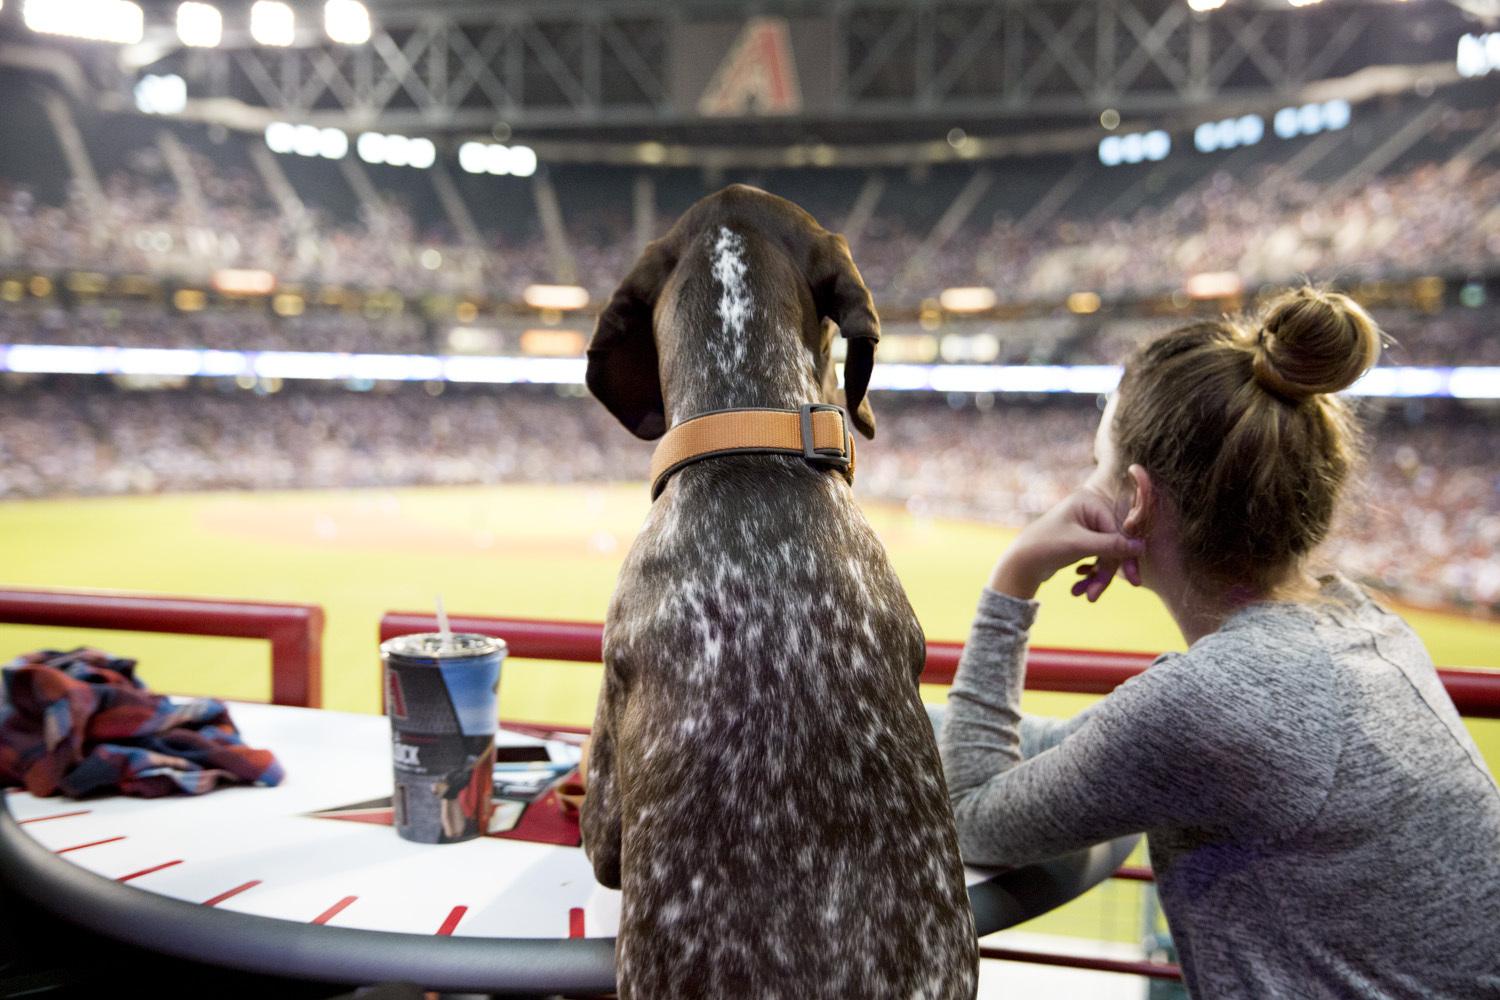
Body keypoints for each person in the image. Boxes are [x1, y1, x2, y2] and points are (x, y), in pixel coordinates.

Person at [938, 287, 1500, 998]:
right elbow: (1112, 754)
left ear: (1136, 501)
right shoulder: (1361, 620)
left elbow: (970, 819)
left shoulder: (1219, 696)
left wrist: (1013, 576)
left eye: (1097, 464)